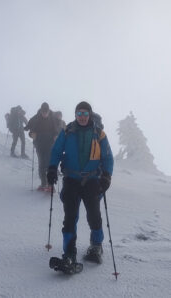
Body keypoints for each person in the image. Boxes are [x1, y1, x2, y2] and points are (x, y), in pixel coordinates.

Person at [47, 101, 114, 265]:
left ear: (89, 115)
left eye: (85, 114)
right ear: (75, 115)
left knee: (94, 215)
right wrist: (51, 169)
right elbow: (56, 150)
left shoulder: (99, 133)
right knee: (70, 216)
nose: (82, 117)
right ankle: (69, 252)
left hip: (92, 180)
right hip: (71, 179)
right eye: (79, 113)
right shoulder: (68, 130)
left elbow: (107, 157)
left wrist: (106, 176)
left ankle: (96, 246)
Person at [25, 102, 59, 191]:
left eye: (46, 112)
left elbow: (56, 130)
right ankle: (43, 184)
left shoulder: (52, 118)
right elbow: (29, 129)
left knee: (48, 163)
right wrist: (31, 134)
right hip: (39, 144)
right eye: (43, 112)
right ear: (41, 111)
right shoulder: (35, 118)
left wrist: (56, 135)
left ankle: (50, 185)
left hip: (49, 144)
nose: (44, 114)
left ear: (48, 111)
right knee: (41, 164)